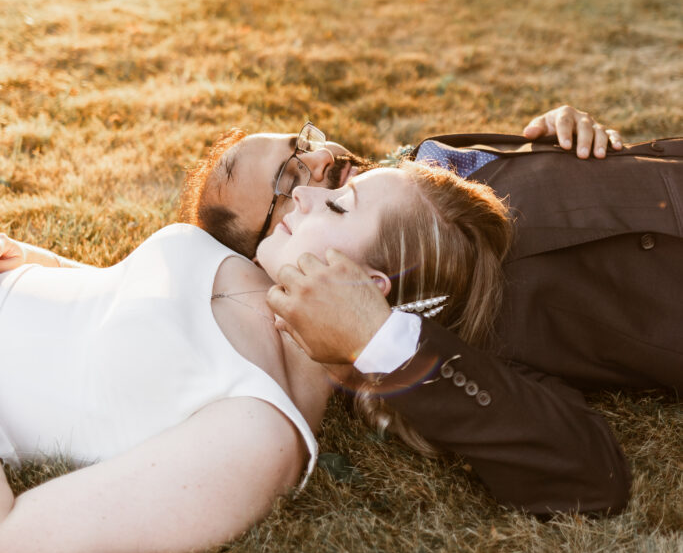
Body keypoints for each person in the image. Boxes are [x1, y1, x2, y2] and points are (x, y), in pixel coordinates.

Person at [0, 161, 509, 553]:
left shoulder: (257, 435)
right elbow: (107, 300)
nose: (307, 194)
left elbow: (10, 539)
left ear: (367, 288)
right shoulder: (253, 271)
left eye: (337, 205)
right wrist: (34, 260)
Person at [268, 130, 683, 516]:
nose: (302, 193)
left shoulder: (433, 188)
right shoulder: (483, 349)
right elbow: (592, 476)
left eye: (338, 201)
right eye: (273, 198)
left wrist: (565, 149)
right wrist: (380, 338)